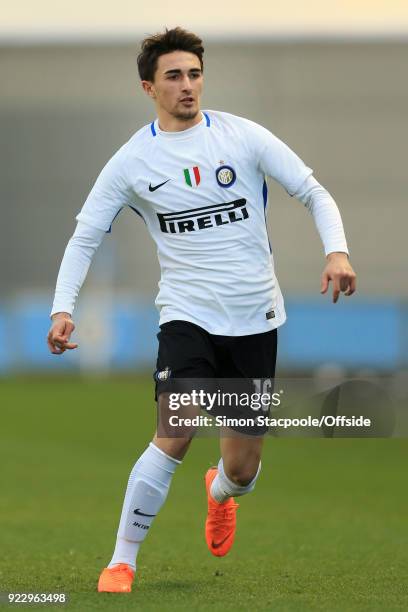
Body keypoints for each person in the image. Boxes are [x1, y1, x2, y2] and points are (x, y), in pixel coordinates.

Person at [47, 27, 356, 593]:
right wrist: (62, 308)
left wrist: (336, 250)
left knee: (242, 470)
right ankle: (122, 561)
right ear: (149, 87)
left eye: (194, 74)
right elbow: (85, 235)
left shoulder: (242, 137)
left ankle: (219, 493)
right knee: (175, 429)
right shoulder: (131, 161)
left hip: (256, 320)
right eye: (174, 76)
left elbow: (314, 192)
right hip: (186, 317)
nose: (188, 85)